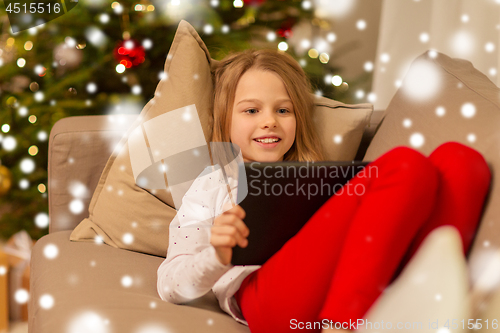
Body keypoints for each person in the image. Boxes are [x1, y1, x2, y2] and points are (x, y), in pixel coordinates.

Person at [156, 49, 491, 333]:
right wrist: (218, 255)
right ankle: (341, 325)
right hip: (264, 297)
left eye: (283, 110)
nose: (269, 121)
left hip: (359, 281)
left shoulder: (323, 174)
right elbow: (170, 284)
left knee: (462, 161)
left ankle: (433, 310)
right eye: (251, 110)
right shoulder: (213, 183)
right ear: (225, 120)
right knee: (405, 164)